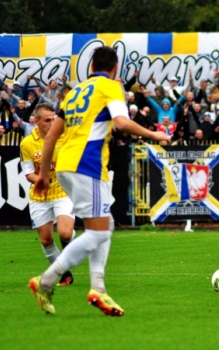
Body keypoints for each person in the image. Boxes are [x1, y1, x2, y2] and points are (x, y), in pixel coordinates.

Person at [29, 47, 172, 316]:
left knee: (105, 224)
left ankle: (98, 287)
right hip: (88, 164)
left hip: (67, 166)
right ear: (115, 68)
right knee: (98, 232)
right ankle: (46, 281)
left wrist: (45, 174)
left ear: (91, 65)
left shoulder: (74, 93)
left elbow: (51, 137)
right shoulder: (109, 87)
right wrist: (157, 136)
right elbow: (122, 123)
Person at [20, 103, 77, 287]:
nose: (52, 123)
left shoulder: (65, 137)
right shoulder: (27, 143)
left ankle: (68, 243)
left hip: (63, 192)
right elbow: (28, 173)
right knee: (46, 240)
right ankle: (64, 273)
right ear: (36, 121)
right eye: (47, 120)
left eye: (54, 119)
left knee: (65, 233)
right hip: (39, 196)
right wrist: (40, 180)